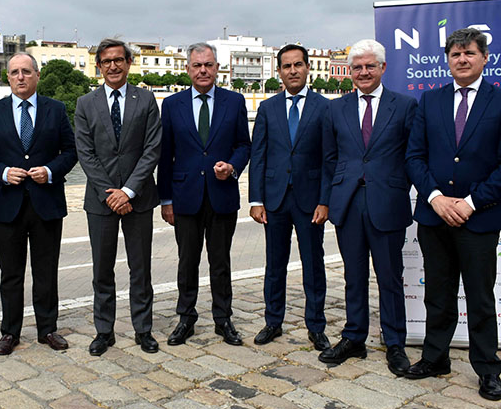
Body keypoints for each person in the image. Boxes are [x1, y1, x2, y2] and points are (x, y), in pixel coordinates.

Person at [405, 28, 501, 401]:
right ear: (447, 60)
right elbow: (414, 157)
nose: (462, 59)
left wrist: (471, 203)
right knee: (438, 294)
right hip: (434, 216)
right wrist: (437, 198)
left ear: (484, 57)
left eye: (469, 53)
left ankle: (488, 368)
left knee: (480, 296)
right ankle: (435, 357)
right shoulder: (429, 100)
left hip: (480, 218)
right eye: (455, 54)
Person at [319, 39, 417, 375]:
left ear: (383, 68)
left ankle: (394, 343)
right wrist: (331, 198)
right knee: (353, 276)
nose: (363, 72)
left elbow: (412, 156)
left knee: (390, 278)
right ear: (350, 71)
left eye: (369, 66)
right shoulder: (335, 109)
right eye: (357, 67)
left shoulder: (404, 106)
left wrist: (396, 186)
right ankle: (354, 337)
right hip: (347, 205)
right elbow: (329, 159)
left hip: (387, 203)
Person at [0, 52, 78, 356]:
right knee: (11, 273)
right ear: (8, 78)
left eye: (26, 72)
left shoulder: (56, 110)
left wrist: (50, 171)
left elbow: (70, 151)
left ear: (37, 75)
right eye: (14, 72)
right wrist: (4, 173)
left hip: (46, 203)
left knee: (46, 271)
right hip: (8, 204)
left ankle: (48, 328)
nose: (20, 77)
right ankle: (10, 332)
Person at [159, 42, 251, 346]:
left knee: (220, 261)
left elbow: (244, 145)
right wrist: (166, 199)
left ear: (217, 68)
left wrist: (234, 167)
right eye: (197, 65)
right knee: (187, 261)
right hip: (185, 196)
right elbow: (165, 155)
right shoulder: (172, 105)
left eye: (208, 65)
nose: (203, 70)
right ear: (188, 69)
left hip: (222, 193)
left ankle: (223, 319)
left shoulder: (234, 101)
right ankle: (186, 318)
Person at [74, 39, 162, 356]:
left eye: (119, 60)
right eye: (107, 61)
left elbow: (152, 149)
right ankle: (104, 331)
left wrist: (128, 191)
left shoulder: (147, 100)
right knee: (102, 270)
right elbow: (85, 153)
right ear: (99, 65)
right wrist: (110, 193)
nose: (113, 66)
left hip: (138, 199)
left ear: (128, 63)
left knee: (141, 268)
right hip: (100, 201)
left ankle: (143, 330)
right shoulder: (86, 104)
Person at [248, 43, 331, 352]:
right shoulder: (267, 108)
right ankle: (273, 321)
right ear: (279, 71)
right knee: (274, 264)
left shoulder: (324, 107)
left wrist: (325, 200)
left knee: (314, 264)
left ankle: (317, 325)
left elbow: (329, 158)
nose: (293, 71)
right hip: (275, 200)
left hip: (311, 201)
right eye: (287, 66)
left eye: (298, 65)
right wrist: (256, 199)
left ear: (307, 68)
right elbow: (258, 157)